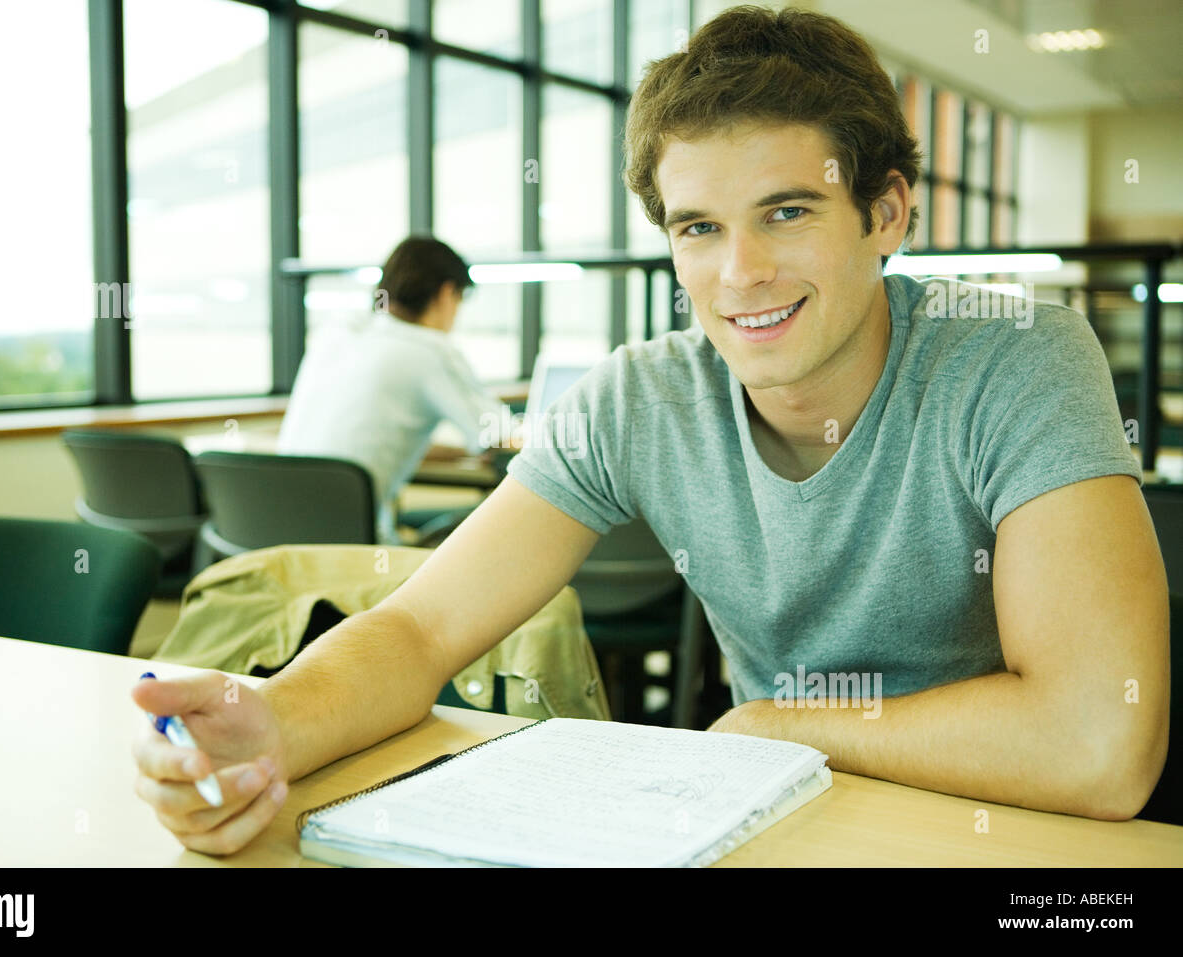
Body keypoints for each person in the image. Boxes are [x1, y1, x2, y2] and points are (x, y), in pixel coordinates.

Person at [133, 5, 1169, 854]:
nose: (740, 274)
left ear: (886, 213)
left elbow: (1096, 743)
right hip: (786, 824)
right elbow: (419, 631)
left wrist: (776, 725)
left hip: (1024, 846)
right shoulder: (640, 399)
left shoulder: (1016, 357)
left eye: (788, 212)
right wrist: (270, 722)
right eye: (698, 228)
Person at [275, 235, 507, 544]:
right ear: (447, 292)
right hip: (355, 554)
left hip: (279, 544)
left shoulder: (336, 332)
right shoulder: (429, 349)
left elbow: (367, 437)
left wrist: (459, 452)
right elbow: (499, 436)